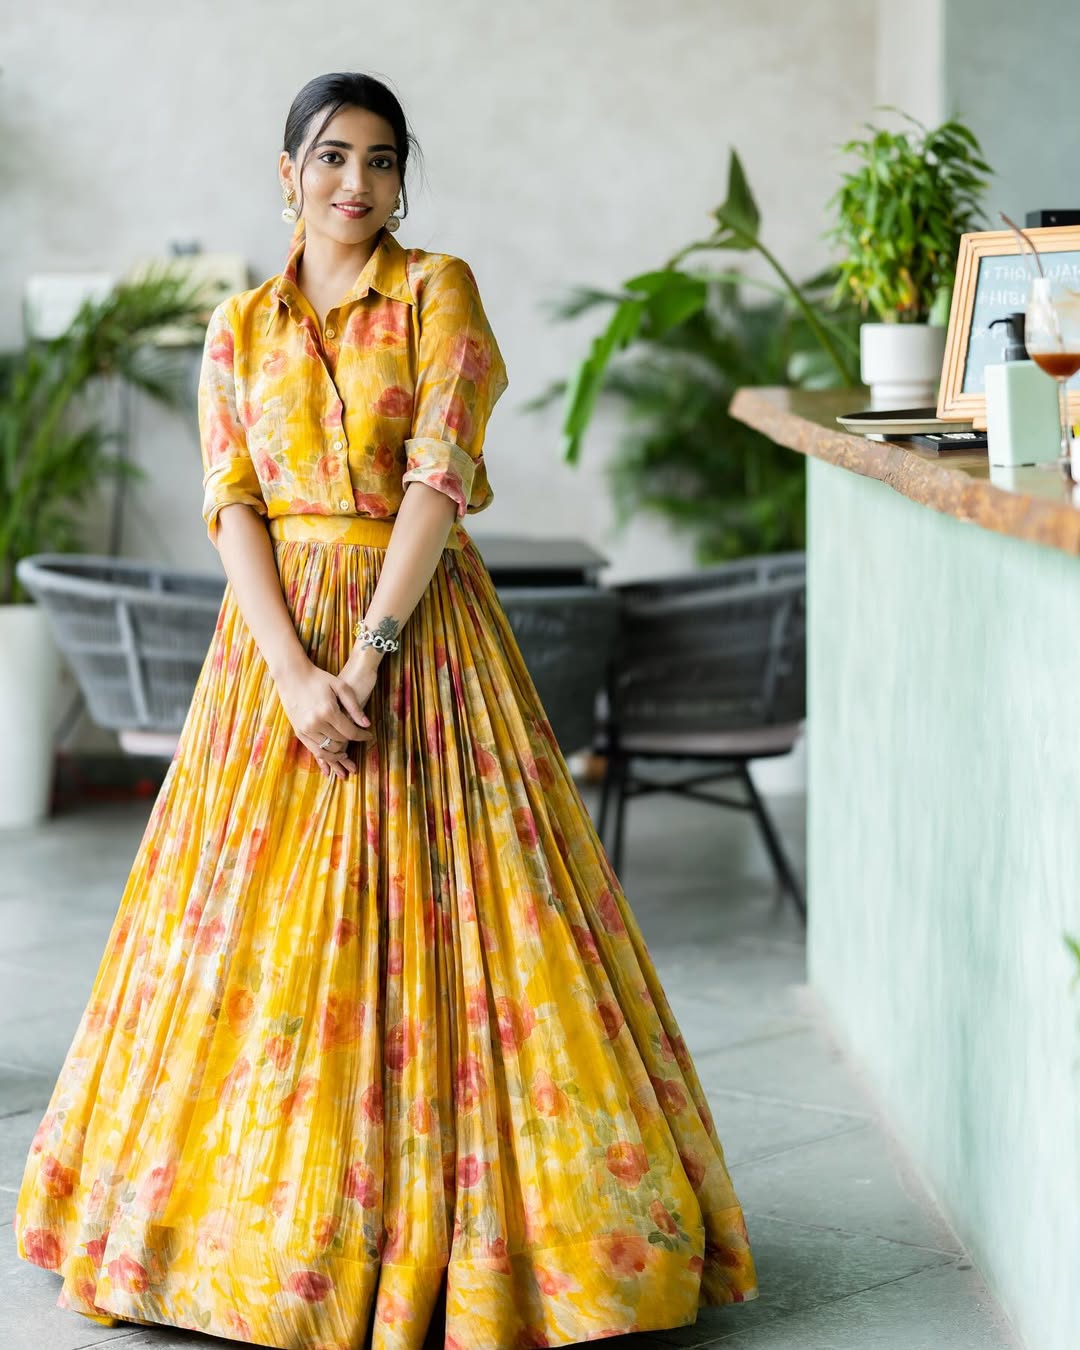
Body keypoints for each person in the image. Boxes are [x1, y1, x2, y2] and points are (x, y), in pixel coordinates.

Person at [13, 71, 758, 1350]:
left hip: (423, 640)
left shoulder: (436, 290)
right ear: (287, 172)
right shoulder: (237, 325)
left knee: (473, 936)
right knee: (244, 947)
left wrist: (366, 654)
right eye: (330, 156)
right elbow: (232, 503)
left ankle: (495, 1244)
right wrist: (296, 676)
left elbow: (440, 477)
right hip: (268, 659)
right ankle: (253, 1238)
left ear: (403, 177)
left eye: (381, 159)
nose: (356, 182)